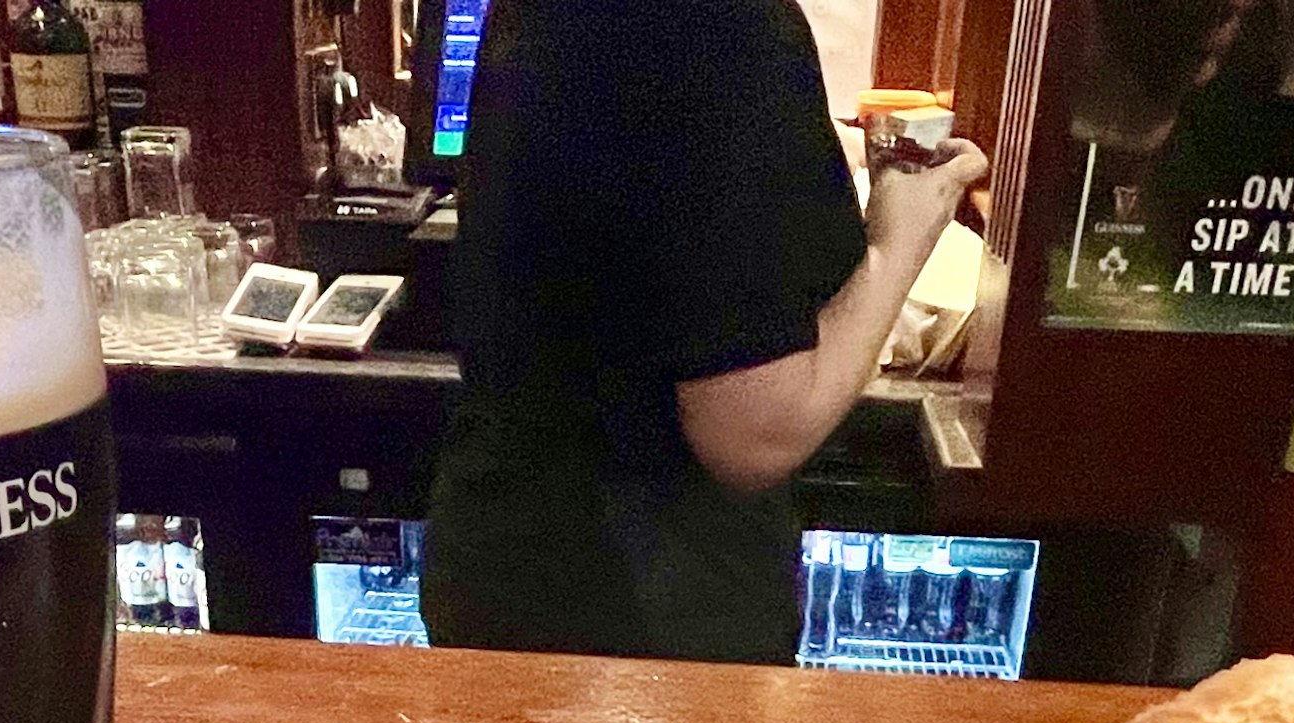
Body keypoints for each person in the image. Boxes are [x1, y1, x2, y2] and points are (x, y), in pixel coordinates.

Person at [420, 0, 988, 665]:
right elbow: (756, 434)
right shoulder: (725, 26)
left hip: (503, 558)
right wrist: (903, 236)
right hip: (642, 608)